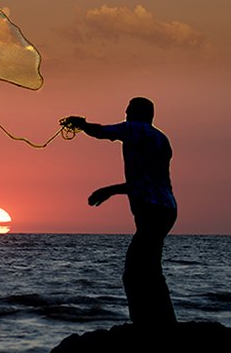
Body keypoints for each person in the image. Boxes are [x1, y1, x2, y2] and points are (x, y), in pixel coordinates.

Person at [63, 97, 177, 327]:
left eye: (128, 109)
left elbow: (102, 132)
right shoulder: (162, 139)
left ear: (137, 113)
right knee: (151, 269)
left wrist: (81, 124)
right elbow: (152, 180)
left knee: (134, 273)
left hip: (151, 208)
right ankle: (163, 322)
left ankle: (144, 324)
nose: (125, 112)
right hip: (167, 208)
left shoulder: (134, 129)